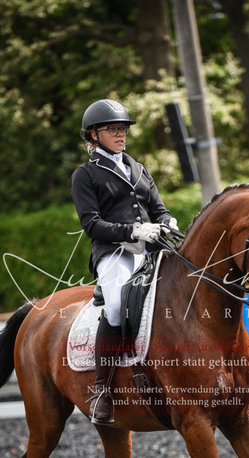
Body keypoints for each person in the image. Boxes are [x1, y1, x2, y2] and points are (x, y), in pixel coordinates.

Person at [72, 98, 179, 426]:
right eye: (113, 129)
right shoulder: (85, 175)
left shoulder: (139, 167)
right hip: (114, 252)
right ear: (94, 135)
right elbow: (92, 224)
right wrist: (133, 230)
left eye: (123, 129)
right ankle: (102, 390)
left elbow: (158, 208)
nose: (121, 134)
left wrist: (168, 221)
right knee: (118, 305)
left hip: (151, 249)